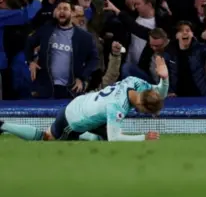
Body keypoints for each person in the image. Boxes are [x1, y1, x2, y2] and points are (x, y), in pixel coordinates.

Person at [0, 56, 170, 142]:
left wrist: (164, 79)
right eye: (145, 111)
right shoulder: (117, 107)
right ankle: (3, 126)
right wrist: (144, 137)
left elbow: (158, 94)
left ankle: (88, 136)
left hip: (84, 103)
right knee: (47, 136)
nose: (143, 113)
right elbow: (115, 138)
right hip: (73, 118)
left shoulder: (136, 83)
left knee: (101, 137)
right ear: (140, 104)